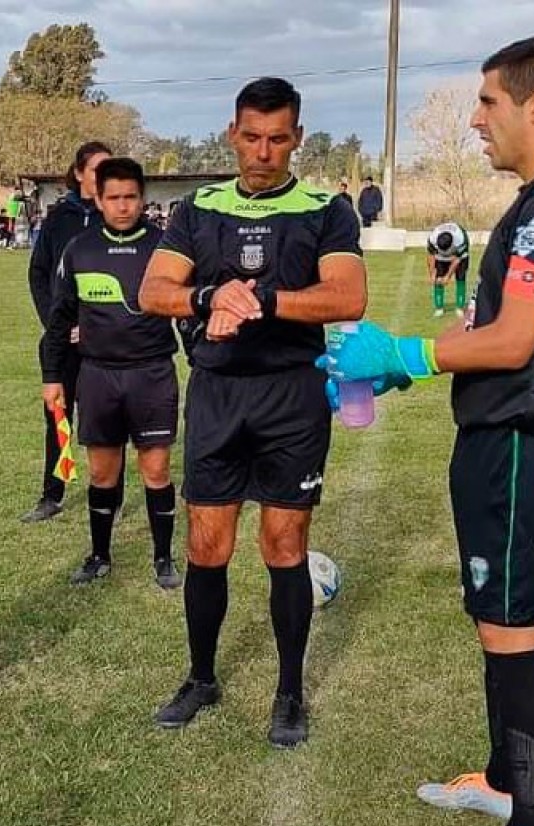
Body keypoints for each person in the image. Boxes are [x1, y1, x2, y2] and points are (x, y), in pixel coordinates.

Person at [320, 35, 534, 826]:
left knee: (513, 633)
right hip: (497, 438)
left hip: (520, 444)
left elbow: (515, 342)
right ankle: (504, 779)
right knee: (492, 622)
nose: (476, 119)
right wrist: (410, 368)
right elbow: (494, 326)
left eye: (486, 102)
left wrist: (405, 354)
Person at [139, 77, 366, 748]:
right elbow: (155, 290)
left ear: (297, 139)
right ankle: (202, 677)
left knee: (284, 546)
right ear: (231, 134)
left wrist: (265, 301)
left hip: (291, 396)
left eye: (278, 139)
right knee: (207, 545)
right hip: (216, 394)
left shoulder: (327, 209)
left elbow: (347, 296)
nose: (263, 151)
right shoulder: (197, 210)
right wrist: (210, 298)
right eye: (251, 137)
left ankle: (289, 691)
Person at [42, 158, 181, 589]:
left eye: (131, 197)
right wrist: (52, 377)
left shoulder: (166, 248)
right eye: (114, 198)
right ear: (98, 199)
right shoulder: (79, 249)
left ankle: (163, 558)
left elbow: (186, 310)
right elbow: (59, 319)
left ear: (142, 199)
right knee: (103, 474)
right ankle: (99, 555)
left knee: (156, 470)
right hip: (98, 376)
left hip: (152, 374)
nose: (123, 207)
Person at [22, 141, 115, 523]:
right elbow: (38, 273)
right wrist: (58, 326)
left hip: (106, 341)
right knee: (58, 416)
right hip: (63, 340)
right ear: (78, 174)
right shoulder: (60, 218)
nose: (105, 179)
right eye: (97, 171)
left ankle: (111, 494)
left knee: (108, 420)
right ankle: (52, 494)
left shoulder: (118, 217)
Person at [427, 220, 471, 317]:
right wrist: (432, 274)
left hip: (460, 258)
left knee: (461, 278)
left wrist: (448, 276)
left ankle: (460, 307)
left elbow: (456, 260)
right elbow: (431, 255)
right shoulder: (432, 238)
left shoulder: (461, 239)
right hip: (440, 257)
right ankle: (439, 308)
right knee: (438, 280)